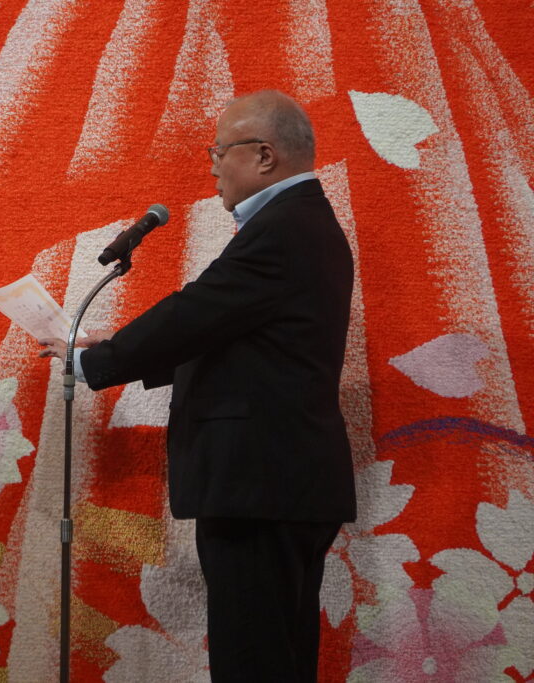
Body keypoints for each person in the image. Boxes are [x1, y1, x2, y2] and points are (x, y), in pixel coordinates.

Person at [38, 90, 356, 682]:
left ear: (264, 156)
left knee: (252, 663)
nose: (211, 165)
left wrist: (96, 362)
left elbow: (196, 312)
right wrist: (110, 345)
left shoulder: (285, 226)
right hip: (280, 483)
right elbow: (232, 334)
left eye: (219, 150)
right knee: (277, 658)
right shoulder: (301, 221)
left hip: (261, 485)